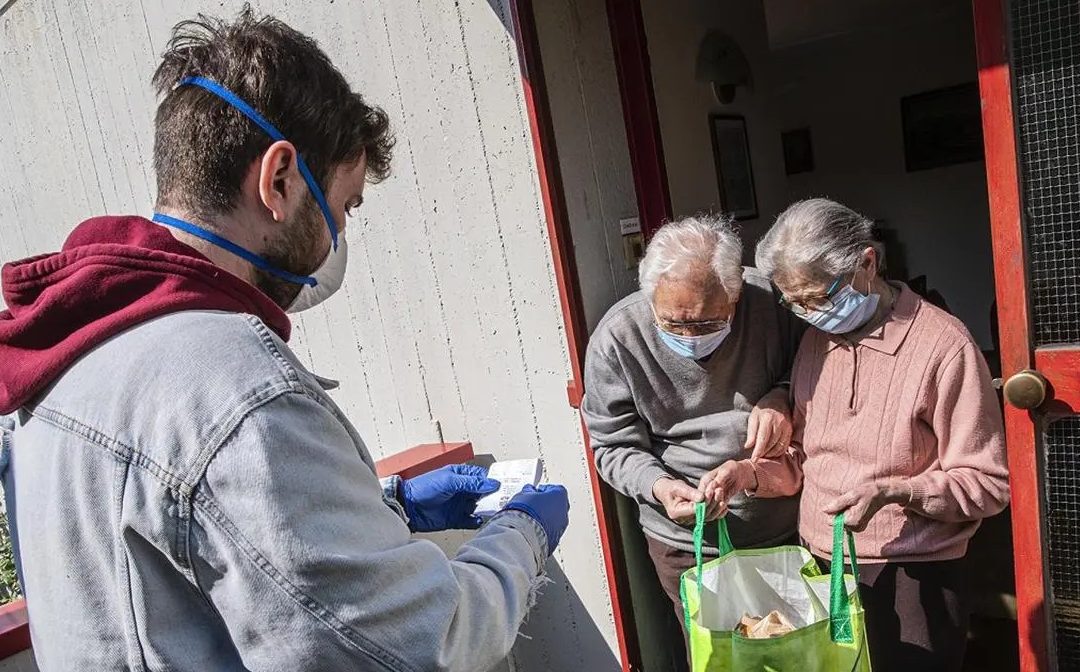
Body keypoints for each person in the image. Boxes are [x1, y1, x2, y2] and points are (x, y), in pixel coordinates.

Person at [0, 9, 568, 672]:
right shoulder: (235, 390)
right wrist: (524, 536)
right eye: (345, 205)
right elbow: (423, 644)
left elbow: (195, 549)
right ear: (278, 180)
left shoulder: (71, 357)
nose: (336, 241)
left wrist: (393, 505)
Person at [754, 198, 1010, 671]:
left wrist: (895, 491)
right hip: (821, 564)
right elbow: (805, 461)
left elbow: (987, 484)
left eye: (819, 297)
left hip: (914, 575)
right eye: (795, 303)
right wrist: (748, 475)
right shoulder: (815, 343)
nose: (809, 313)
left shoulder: (944, 346)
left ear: (867, 263)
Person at [581, 215, 804, 663]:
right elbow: (612, 444)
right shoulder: (618, 337)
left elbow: (815, 370)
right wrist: (659, 487)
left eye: (705, 324)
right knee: (717, 658)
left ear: (736, 294)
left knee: (795, 654)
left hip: (780, 524)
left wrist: (781, 397)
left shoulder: (772, 303)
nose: (688, 337)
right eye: (672, 324)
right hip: (685, 541)